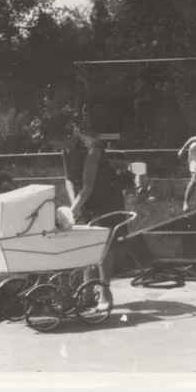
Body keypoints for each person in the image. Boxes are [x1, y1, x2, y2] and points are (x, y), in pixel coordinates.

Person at [61, 129, 128, 311]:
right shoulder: (65, 148)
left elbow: (88, 186)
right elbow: (68, 179)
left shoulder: (93, 149)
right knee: (85, 245)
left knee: (102, 247)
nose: (60, 147)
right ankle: (87, 294)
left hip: (106, 199)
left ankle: (105, 295)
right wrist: (73, 207)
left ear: (69, 136)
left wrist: (72, 211)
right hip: (84, 200)